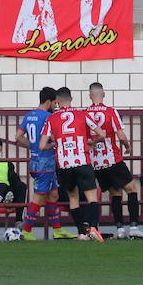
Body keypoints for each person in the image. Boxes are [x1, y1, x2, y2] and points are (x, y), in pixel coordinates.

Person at [39, 86, 106, 242]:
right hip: (82, 160)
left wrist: (54, 144)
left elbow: (42, 145)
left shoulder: (51, 118)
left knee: (73, 198)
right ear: (71, 99)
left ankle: (82, 233)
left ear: (57, 102)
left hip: (64, 163)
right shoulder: (82, 114)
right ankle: (93, 228)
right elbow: (101, 134)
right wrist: (92, 142)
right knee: (91, 197)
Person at [86, 82, 143, 239]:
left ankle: (120, 229)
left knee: (115, 192)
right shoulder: (110, 111)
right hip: (112, 158)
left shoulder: (85, 113)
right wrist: (127, 146)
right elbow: (121, 135)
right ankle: (134, 228)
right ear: (104, 94)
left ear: (89, 96)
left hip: (96, 162)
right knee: (132, 189)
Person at [15, 87, 73, 241]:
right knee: (39, 197)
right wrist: (52, 145)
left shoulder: (29, 115)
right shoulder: (49, 117)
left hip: (36, 161)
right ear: (48, 102)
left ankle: (57, 230)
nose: (56, 105)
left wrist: (32, 146)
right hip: (44, 163)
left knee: (53, 195)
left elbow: (18, 136)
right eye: (55, 102)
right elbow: (53, 137)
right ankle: (26, 230)